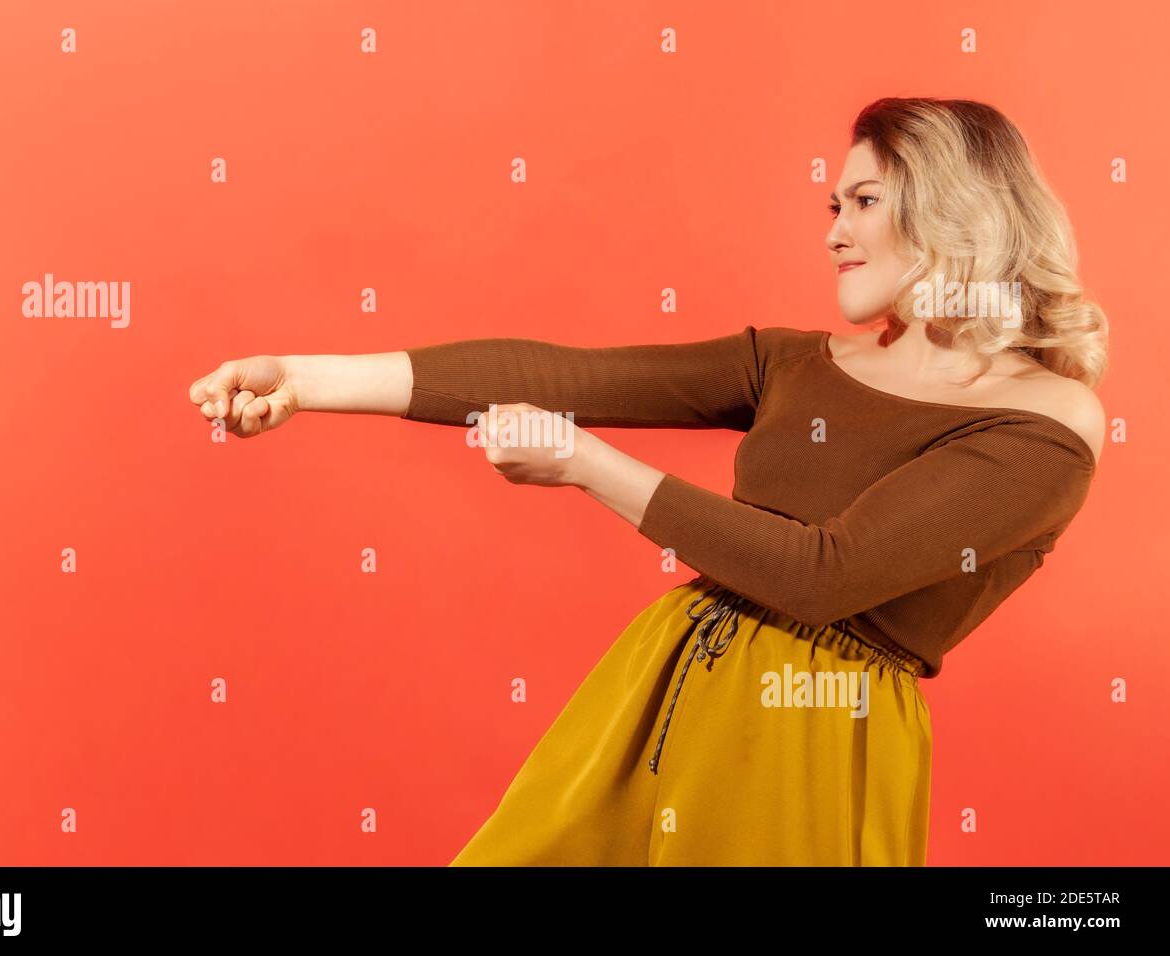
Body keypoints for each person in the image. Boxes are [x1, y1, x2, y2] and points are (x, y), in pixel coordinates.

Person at [187, 97, 1108, 866]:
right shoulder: (793, 363)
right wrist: (306, 379)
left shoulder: (1048, 424)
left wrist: (586, 467)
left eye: (862, 201)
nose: (834, 233)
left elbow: (822, 575)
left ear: (952, 206)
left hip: (812, 740)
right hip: (655, 693)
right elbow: (569, 378)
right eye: (832, 207)